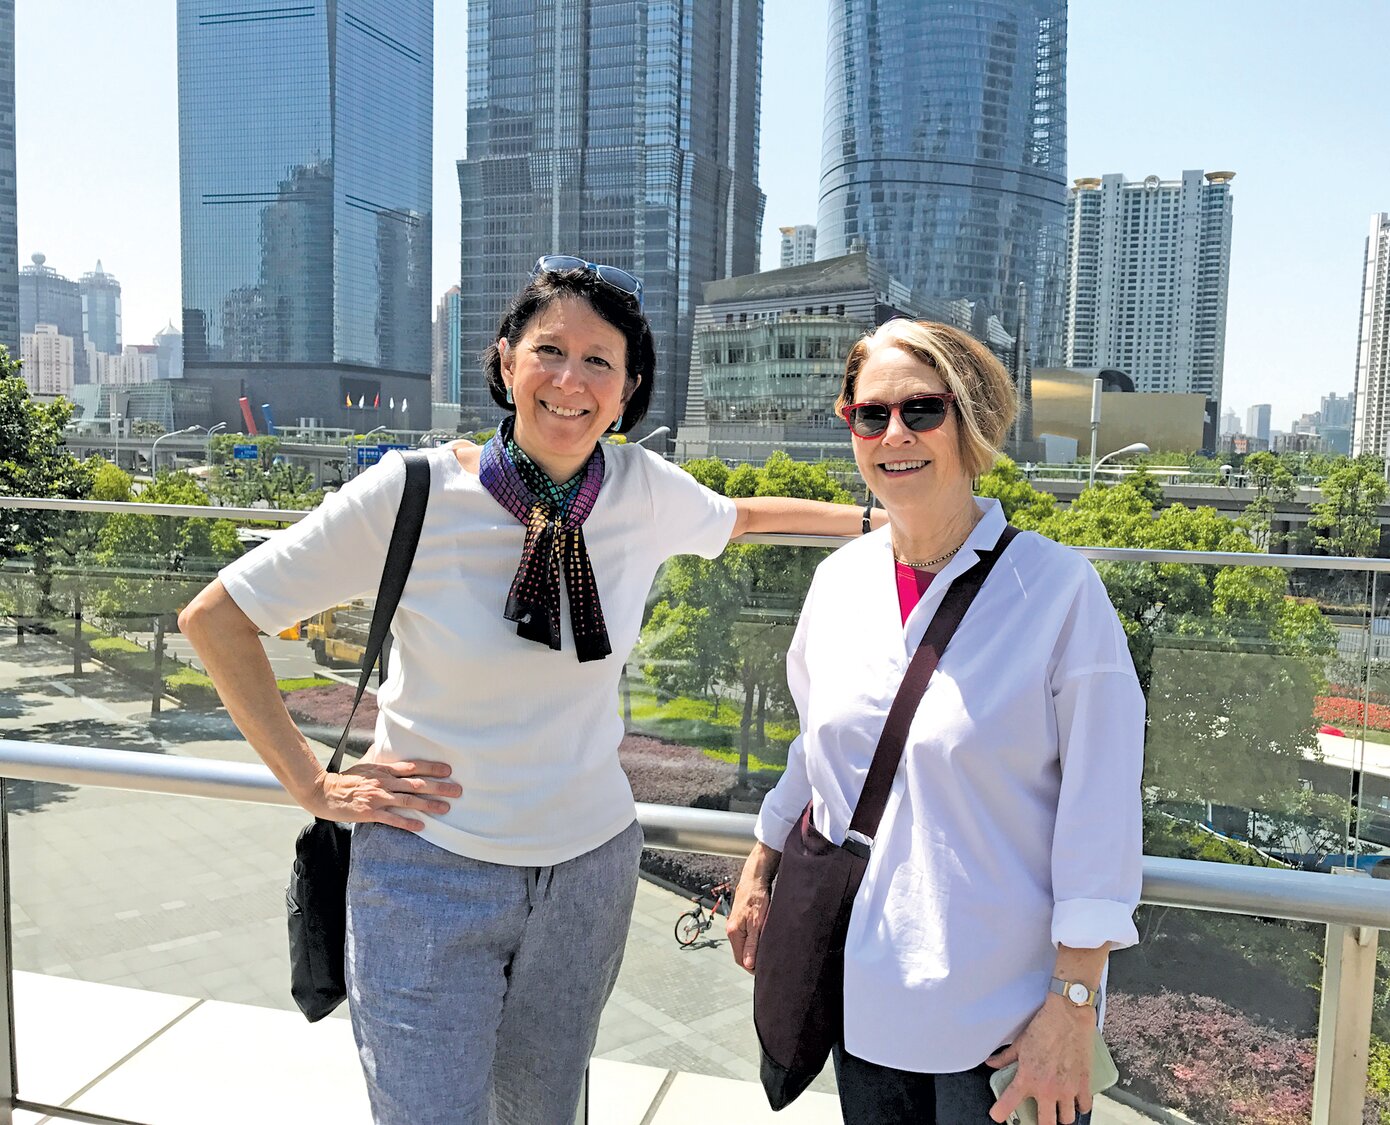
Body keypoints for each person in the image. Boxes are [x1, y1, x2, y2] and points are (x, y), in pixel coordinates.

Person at [179, 256, 879, 1125]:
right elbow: (216, 618)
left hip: (587, 874)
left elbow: (744, 519)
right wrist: (310, 783)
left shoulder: (639, 489)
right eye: (550, 350)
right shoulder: (416, 492)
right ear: (506, 361)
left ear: (627, 393)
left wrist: (883, 523)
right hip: (427, 868)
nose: (570, 380)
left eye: (600, 362)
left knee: (542, 1115)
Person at [725, 318, 1145, 1125]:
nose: (895, 435)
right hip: (866, 1004)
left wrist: (1073, 1002)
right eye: (870, 414)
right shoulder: (838, 583)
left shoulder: (1058, 593)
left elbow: (1103, 812)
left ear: (972, 420)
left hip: (1007, 1028)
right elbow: (817, 751)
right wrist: (760, 861)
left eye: (922, 409)